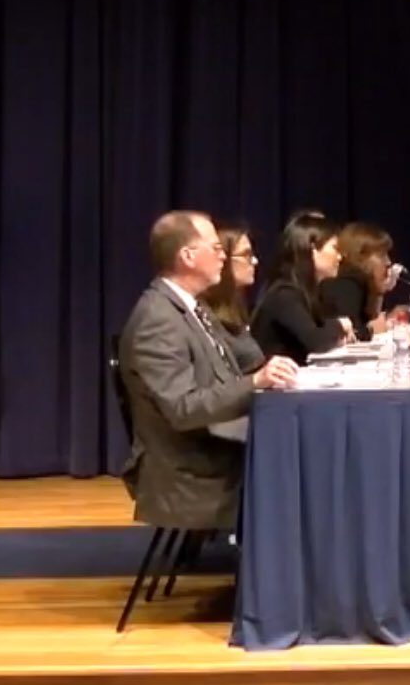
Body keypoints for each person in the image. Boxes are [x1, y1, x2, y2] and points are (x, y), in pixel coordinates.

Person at [118, 210, 297, 532]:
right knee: (299, 463)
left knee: (299, 447)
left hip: (213, 447)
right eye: (215, 249)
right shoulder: (158, 320)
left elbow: (226, 375)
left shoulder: (192, 307)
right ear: (188, 257)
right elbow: (183, 408)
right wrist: (255, 382)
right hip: (190, 470)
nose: (222, 256)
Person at [250, 211, 354, 363]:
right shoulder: (284, 293)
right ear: (312, 248)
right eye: (334, 248)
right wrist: (340, 325)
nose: (339, 257)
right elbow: (316, 341)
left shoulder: (309, 292)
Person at [198, 220, 268, 373]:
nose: (255, 261)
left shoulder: (237, 309)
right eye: (246, 255)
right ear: (223, 259)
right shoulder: (207, 318)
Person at [319, 221, 398, 341]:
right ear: (361, 256)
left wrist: (379, 292)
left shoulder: (359, 282)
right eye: (381, 255)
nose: (388, 262)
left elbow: (371, 319)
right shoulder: (346, 284)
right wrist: (371, 330)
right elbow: (349, 335)